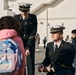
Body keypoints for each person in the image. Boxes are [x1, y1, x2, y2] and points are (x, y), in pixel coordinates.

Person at [14, 2, 37, 75]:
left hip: (30, 41)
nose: (24, 13)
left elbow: (34, 31)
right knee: (21, 61)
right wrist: (21, 45)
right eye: (22, 11)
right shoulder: (16, 18)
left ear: (29, 10)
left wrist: (28, 46)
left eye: (26, 11)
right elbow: (16, 31)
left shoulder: (33, 17)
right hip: (20, 42)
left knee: (30, 61)